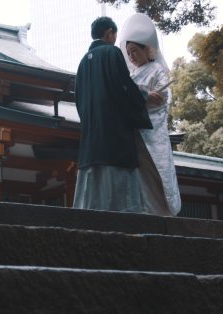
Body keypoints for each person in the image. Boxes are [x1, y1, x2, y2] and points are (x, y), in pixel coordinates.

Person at [73, 16, 162, 213]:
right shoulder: (111, 52)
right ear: (109, 33)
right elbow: (123, 85)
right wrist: (145, 95)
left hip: (91, 135)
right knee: (119, 178)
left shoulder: (82, 64)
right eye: (115, 35)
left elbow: (78, 100)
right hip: (113, 130)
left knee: (92, 186)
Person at [120, 13, 182, 216]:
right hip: (136, 130)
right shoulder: (130, 75)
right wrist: (142, 98)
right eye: (128, 52)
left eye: (135, 51)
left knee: (158, 167)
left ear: (147, 49)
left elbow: (162, 98)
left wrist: (143, 99)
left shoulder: (157, 70)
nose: (131, 56)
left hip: (153, 130)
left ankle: (162, 210)